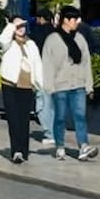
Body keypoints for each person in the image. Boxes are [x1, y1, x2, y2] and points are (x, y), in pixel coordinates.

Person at [42, 5, 98, 161]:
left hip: (78, 85)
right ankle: (60, 146)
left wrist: (89, 85)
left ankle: (83, 146)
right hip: (60, 86)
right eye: (74, 19)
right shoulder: (52, 40)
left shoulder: (80, 38)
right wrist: (49, 86)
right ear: (65, 20)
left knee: (80, 116)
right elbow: (47, 64)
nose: (76, 22)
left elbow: (86, 62)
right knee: (60, 117)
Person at [0, 16, 43, 163]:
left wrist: (41, 84)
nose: (21, 28)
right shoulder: (8, 43)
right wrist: (12, 26)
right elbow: (1, 40)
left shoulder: (31, 44)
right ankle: (16, 151)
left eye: (23, 25)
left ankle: (23, 150)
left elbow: (38, 65)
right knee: (13, 118)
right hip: (10, 84)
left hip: (26, 86)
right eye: (18, 26)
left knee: (24, 119)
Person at [29, 9, 56, 147]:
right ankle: (56, 132)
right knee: (53, 105)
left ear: (40, 19)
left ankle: (50, 133)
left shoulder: (36, 33)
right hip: (56, 73)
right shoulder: (57, 33)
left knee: (42, 104)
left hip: (42, 72)